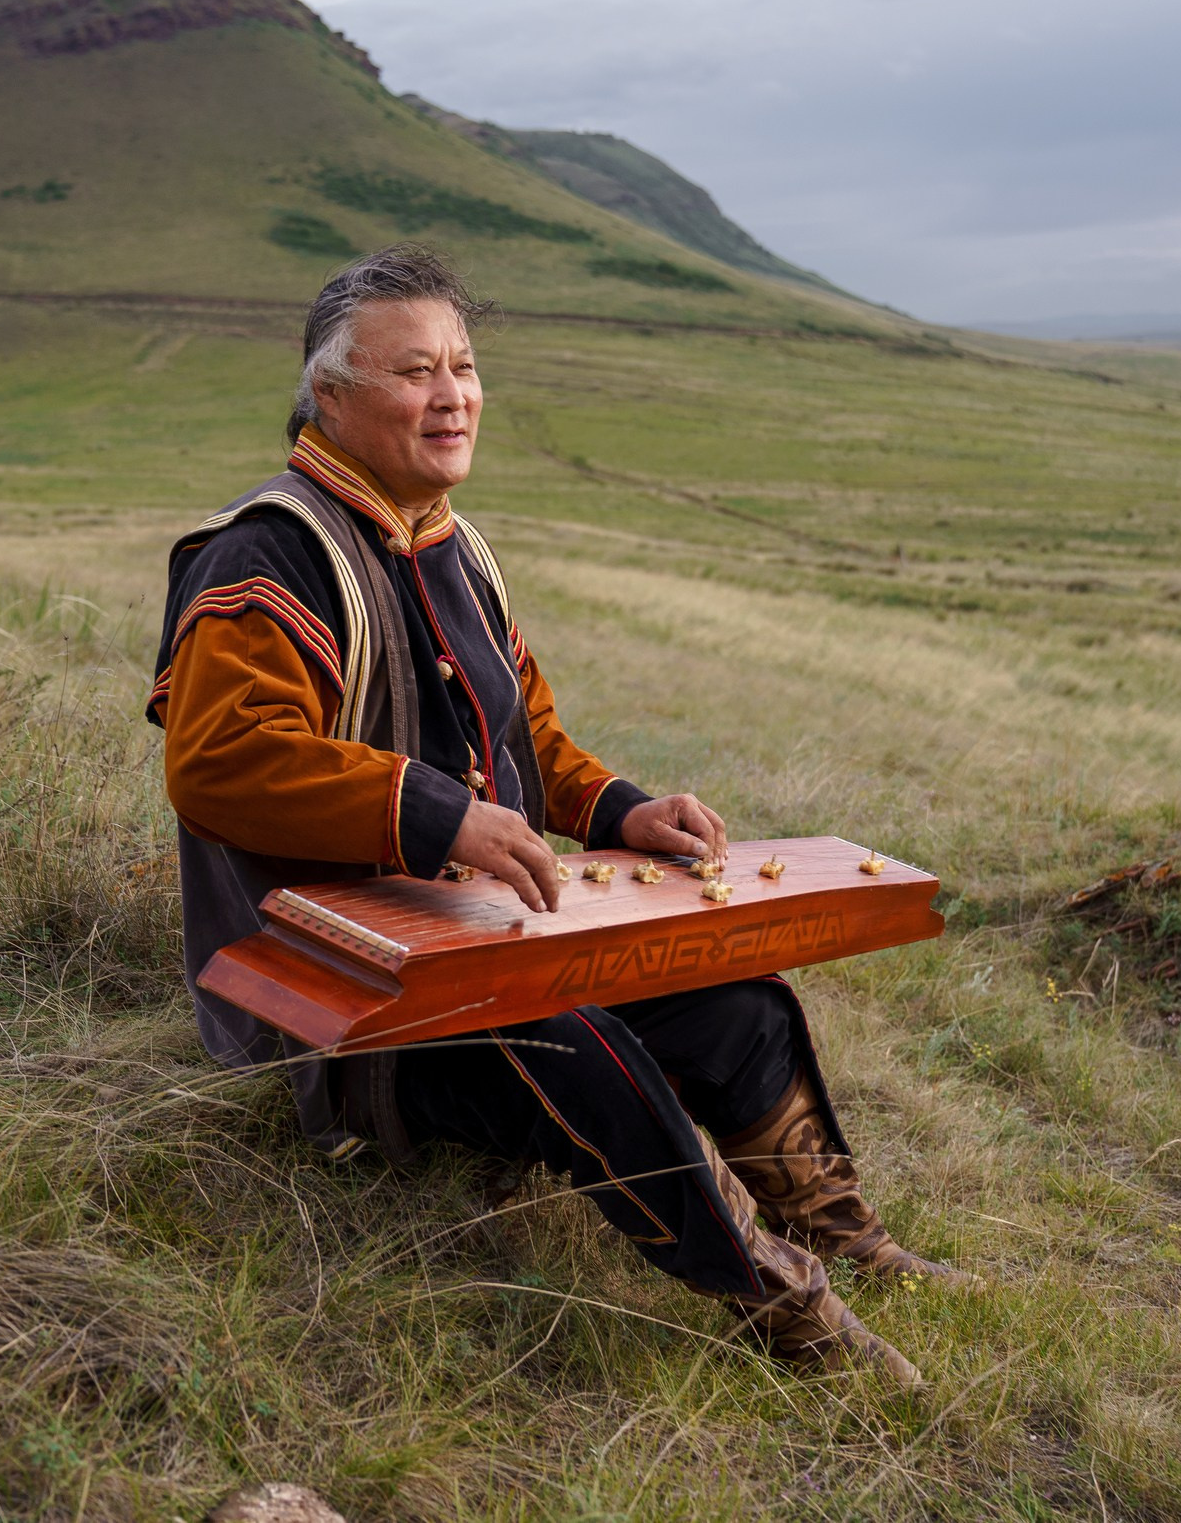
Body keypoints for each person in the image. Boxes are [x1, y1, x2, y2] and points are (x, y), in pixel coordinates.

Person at [147, 245, 967, 1381]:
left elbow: (527, 743)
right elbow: (222, 764)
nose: (452, 396)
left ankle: (844, 1235)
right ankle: (786, 1304)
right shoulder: (266, 555)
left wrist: (622, 809)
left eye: (464, 367)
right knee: (575, 1046)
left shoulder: (453, 546)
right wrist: (435, 817)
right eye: (415, 372)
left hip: (493, 948)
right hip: (352, 1005)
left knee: (738, 1002)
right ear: (327, 397)